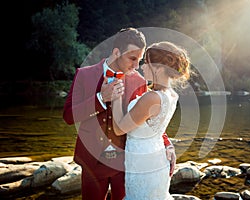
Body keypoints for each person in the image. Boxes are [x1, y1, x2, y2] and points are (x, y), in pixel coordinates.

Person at [62, 28, 176, 200]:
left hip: (126, 164)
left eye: (140, 59)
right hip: (92, 162)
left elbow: (147, 118)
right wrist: (101, 98)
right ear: (116, 52)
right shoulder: (84, 75)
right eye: (132, 58)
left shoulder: (139, 81)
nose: (137, 66)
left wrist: (167, 143)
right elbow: (69, 116)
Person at [112, 41, 191, 200]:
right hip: (156, 157)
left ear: (159, 69)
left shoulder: (152, 98)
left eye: (147, 63)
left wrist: (115, 98)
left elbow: (119, 129)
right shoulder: (172, 95)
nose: (142, 67)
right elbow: (155, 127)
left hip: (142, 162)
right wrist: (168, 144)